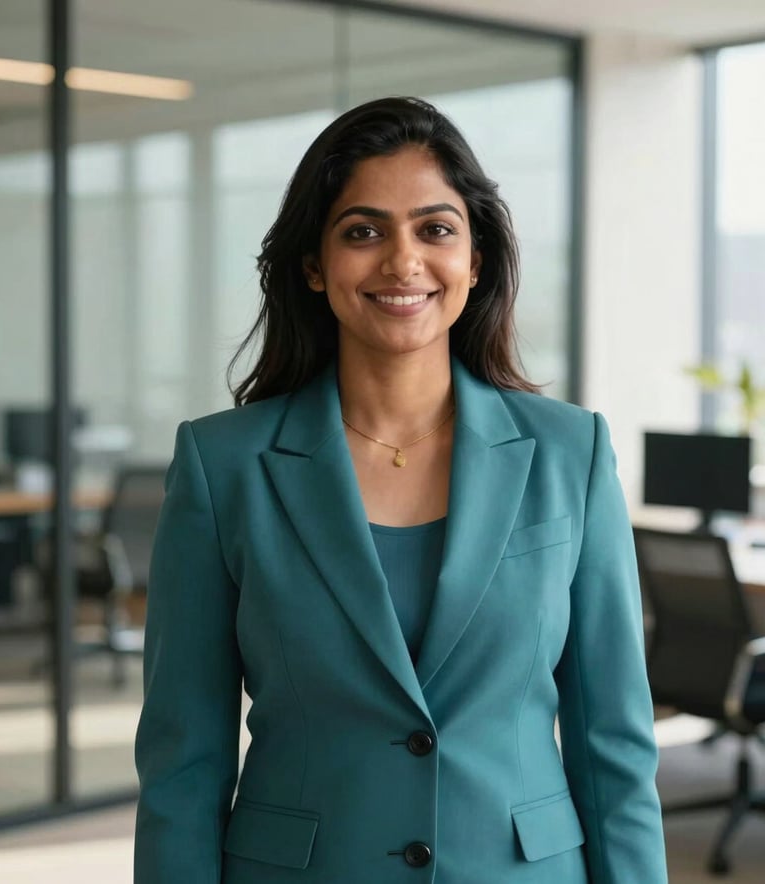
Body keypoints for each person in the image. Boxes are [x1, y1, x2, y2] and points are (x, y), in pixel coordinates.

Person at [134, 96, 667, 884]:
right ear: (314, 265)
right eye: (363, 231)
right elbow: (184, 763)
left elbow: (613, 747)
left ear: (475, 258)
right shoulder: (224, 465)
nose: (402, 261)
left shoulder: (569, 453)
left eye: (435, 228)